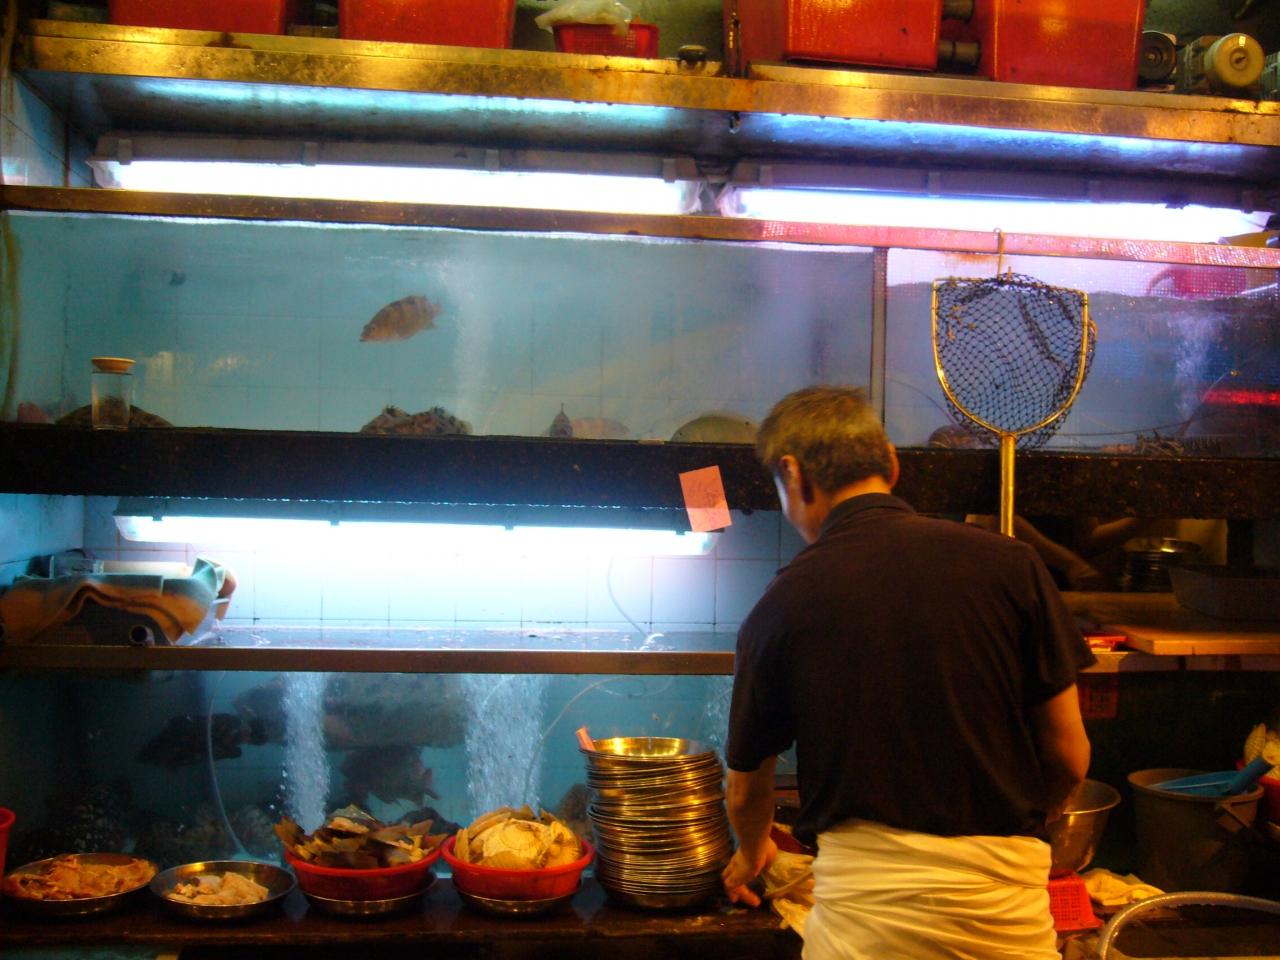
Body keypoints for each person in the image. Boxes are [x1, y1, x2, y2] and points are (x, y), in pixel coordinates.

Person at [722, 385, 1095, 960]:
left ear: (793, 475)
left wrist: (752, 851)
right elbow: (1070, 756)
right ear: (893, 466)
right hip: (1005, 924)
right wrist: (1004, 840)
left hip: (865, 934)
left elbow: (747, 788)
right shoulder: (1013, 565)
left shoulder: (782, 603)